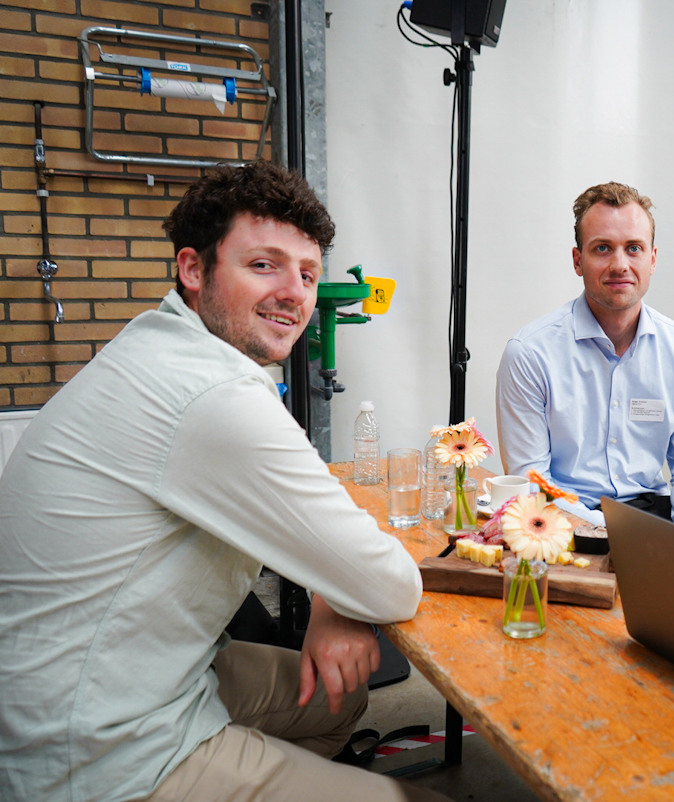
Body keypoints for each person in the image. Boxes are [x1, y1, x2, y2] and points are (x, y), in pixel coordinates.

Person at [0, 162, 448, 802]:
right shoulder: (213, 395)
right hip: (95, 748)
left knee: (340, 697)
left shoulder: (158, 343)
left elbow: (335, 552)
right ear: (193, 268)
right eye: (264, 265)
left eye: (308, 274)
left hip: (126, 670)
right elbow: (390, 584)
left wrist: (334, 597)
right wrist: (346, 589)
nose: (294, 293)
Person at [495, 181, 674, 534]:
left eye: (633, 248)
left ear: (652, 259)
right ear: (577, 261)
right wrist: (611, 530)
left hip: (653, 516)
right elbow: (532, 480)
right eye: (602, 248)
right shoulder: (530, 353)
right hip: (563, 518)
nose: (620, 265)